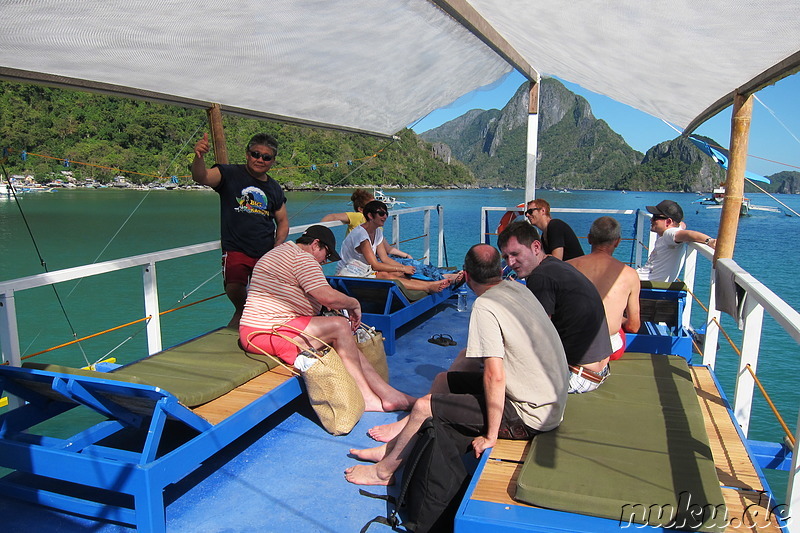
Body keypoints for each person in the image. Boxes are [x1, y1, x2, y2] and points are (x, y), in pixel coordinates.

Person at [344, 244, 568, 485]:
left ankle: (383, 472)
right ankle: (396, 445)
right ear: (500, 271)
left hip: (530, 415)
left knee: (424, 406)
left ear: (467, 276)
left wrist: (490, 436)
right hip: (548, 398)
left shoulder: (485, 305)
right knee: (443, 381)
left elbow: (494, 376)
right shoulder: (517, 288)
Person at [239, 225, 414, 413]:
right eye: (327, 254)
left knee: (342, 331)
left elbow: (299, 292)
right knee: (339, 326)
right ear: (316, 245)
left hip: (261, 329)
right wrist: (354, 304)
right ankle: (368, 398)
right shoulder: (303, 258)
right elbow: (327, 296)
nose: (324, 261)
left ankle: (388, 394)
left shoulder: (280, 252)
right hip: (265, 333)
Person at [498, 221, 612, 393]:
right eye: (506, 257)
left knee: (491, 375)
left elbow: (536, 339)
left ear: (536, 247)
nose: (511, 262)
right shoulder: (555, 266)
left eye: (515, 254)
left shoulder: (541, 277)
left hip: (577, 375)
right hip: (598, 369)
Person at [192, 132, 290, 328]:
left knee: (266, 296)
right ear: (247, 154)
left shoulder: (274, 188)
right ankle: (246, 319)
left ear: (272, 161)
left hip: (265, 251)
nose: (260, 159)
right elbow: (201, 176)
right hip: (236, 247)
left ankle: (246, 327)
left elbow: (283, 221)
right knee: (234, 287)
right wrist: (199, 157)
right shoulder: (229, 174)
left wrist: (277, 246)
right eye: (255, 154)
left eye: (266, 157)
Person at [337, 200, 460, 293]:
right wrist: (402, 269)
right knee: (384, 275)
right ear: (370, 215)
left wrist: (404, 267)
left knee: (400, 273)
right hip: (350, 273)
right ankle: (429, 287)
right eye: (381, 213)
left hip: (364, 270)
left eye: (386, 213)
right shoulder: (361, 235)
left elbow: (385, 259)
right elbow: (374, 264)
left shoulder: (377, 232)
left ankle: (435, 281)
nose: (385, 216)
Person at [568, 216, 641, 360]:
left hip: (571, 344)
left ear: (589, 238)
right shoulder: (630, 275)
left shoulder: (567, 266)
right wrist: (619, 318)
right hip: (607, 350)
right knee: (617, 333)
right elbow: (634, 326)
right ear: (618, 242)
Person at [637, 200, 717, 282]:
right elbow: (682, 225)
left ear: (668, 221)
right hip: (641, 279)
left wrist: (709, 241)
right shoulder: (671, 230)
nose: (651, 220)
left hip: (643, 283)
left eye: (655, 218)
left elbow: (687, 234)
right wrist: (679, 223)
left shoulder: (669, 233)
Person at [321, 188, 411, 257]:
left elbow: (387, 248)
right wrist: (319, 232)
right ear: (361, 209)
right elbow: (332, 217)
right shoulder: (358, 216)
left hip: (372, 257)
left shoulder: (376, 226)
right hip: (359, 260)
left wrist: (406, 255)